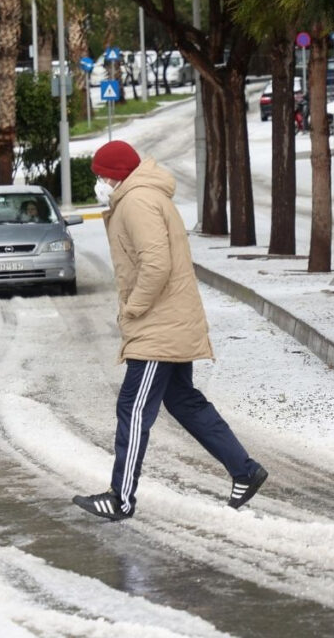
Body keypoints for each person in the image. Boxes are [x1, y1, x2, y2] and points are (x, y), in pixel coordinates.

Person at [72, 140, 268, 521]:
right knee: (183, 400)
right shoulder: (141, 196)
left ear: (115, 176)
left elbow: (156, 264)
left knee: (133, 407)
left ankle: (120, 498)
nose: (98, 182)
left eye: (100, 176)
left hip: (157, 327)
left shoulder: (136, 201)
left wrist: (134, 308)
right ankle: (243, 470)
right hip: (170, 321)